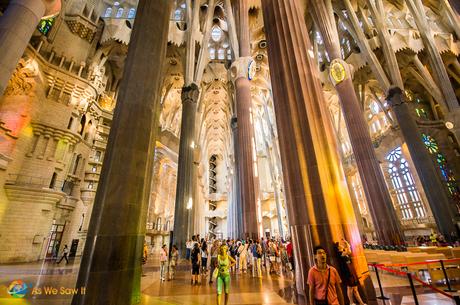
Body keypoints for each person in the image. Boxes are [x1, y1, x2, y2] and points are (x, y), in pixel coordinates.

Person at [335, 241, 366, 305]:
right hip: (347, 273)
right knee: (350, 288)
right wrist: (346, 243)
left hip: (351, 272)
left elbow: (348, 252)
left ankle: (361, 303)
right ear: (338, 247)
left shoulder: (344, 253)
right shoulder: (340, 253)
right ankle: (351, 303)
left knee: (355, 289)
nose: (342, 245)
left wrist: (346, 244)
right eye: (340, 245)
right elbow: (349, 251)